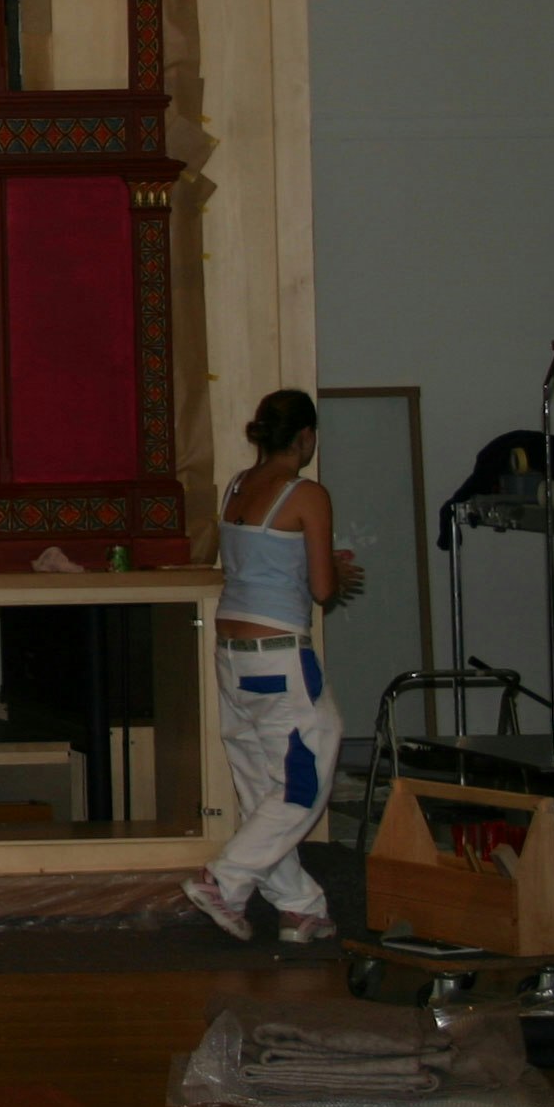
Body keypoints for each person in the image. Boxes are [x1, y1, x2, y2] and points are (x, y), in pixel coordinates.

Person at [183, 388, 361, 945]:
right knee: (303, 787)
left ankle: (300, 908)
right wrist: (336, 570)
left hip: (232, 657)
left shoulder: (239, 483)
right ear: (305, 438)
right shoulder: (306, 493)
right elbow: (323, 590)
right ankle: (224, 881)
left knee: (264, 790)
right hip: (280, 656)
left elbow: (260, 562)